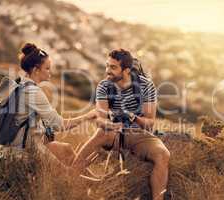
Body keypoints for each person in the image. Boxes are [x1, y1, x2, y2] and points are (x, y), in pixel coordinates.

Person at [72, 49, 170, 200]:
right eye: (107, 66)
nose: (107, 71)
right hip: (112, 133)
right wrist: (112, 126)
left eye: (113, 67)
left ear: (126, 70)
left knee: (163, 155)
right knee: (98, 137)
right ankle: (71, 179)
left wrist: (132, 117)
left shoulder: (146, 86)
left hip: (138, 134)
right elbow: (100, 120)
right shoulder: (104, 86)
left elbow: (150, 123)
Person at [0, 43, 96, 169]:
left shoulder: (19, 84)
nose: (50, 72)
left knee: (66, 149)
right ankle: (94, 184)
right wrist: (88, 116)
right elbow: (60, 125)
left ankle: (96, 183)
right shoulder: (33, 92)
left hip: (10, 149)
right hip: (21, 154)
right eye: (47, 68)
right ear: (36, 70)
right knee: (68, 174)